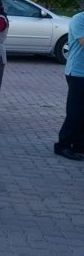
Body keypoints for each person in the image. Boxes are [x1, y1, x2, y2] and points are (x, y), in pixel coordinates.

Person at [54, 10, 84, 161]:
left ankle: (79, 146)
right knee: (75, 112)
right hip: (77, 72)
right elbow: (82, 41)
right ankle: (62, 145)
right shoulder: (79, 19)